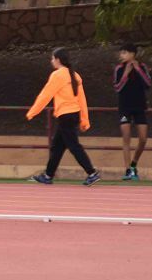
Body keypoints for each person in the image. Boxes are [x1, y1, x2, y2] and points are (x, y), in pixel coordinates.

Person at [26, 47, 100, 186]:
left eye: (52, 58)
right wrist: (84, 119)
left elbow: (45, 95)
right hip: (73, 115)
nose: (51, 61)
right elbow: (82, 100)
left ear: (58, 60)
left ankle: (92, 172)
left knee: (73, 146)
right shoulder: (75, 75)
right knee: (57, 146)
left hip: (66, 115)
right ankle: (48, 175)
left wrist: (33, 112)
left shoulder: (58, 75)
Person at [114, 43, 151, 181]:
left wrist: (137, 69)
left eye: (124, 53)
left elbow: (148, 84)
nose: (121, 55)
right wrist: (126, 73)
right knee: (126, 137)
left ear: (132, 54)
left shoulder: (142, 67)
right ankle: (128, 170)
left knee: (143, 139)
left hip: (139, 106)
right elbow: (117, 87)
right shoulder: (119, 69)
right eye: (121, 53)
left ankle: (134, 163)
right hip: (125, 107)